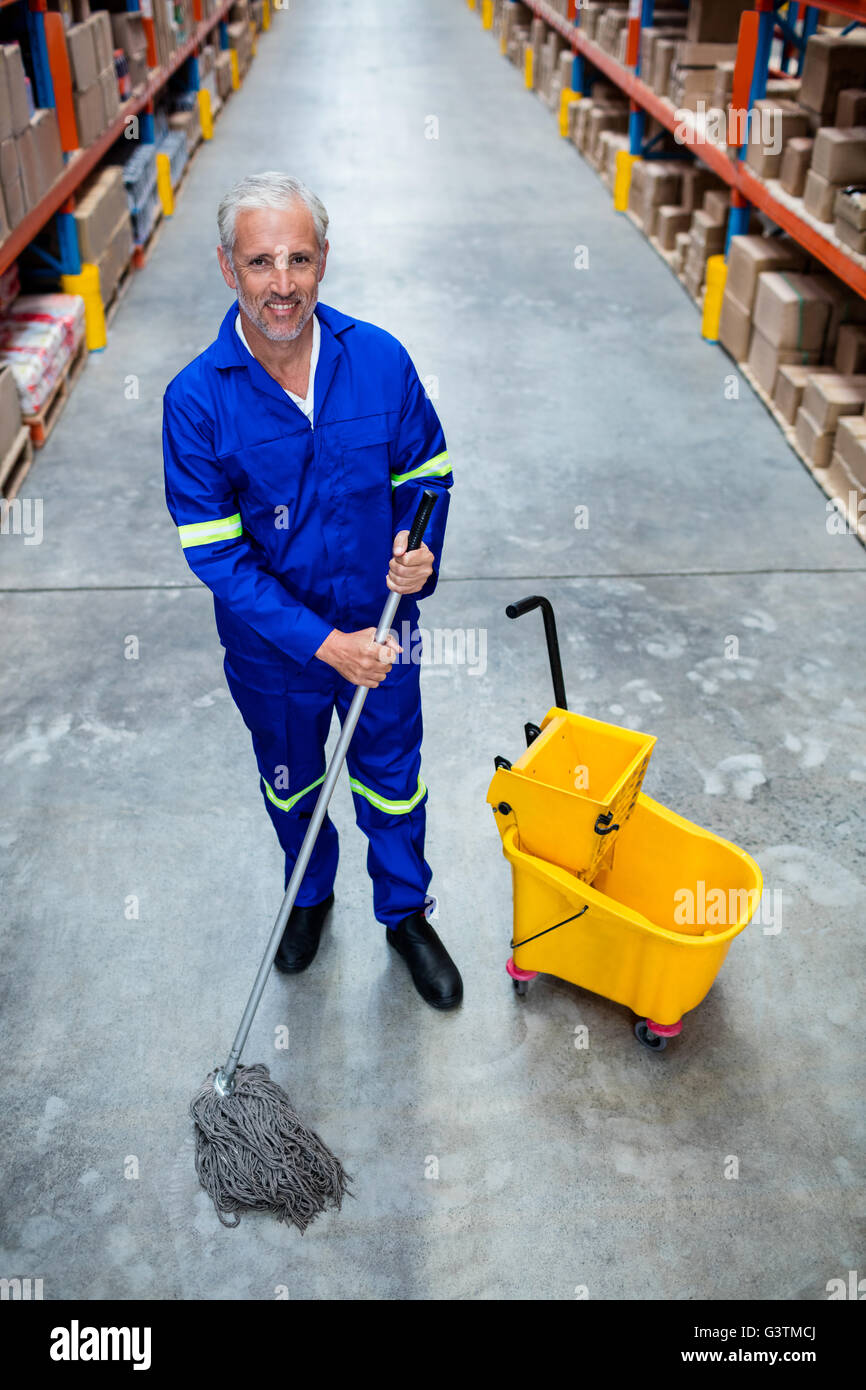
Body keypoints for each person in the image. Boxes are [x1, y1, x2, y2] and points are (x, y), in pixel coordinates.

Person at [162, 172, 462, 1009]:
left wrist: (421, 547)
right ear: (229, 268)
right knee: (292, 783)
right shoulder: (196, 401)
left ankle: (405, 915)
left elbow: (428, 472)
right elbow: (217, 555)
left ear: (324, 259)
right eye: (261, 262)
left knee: (394, 779)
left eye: (299, 258)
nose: (283, 284)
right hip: (276, 655)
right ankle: (309, 894)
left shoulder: (380, 360)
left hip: (384, 627)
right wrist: (326, 645)